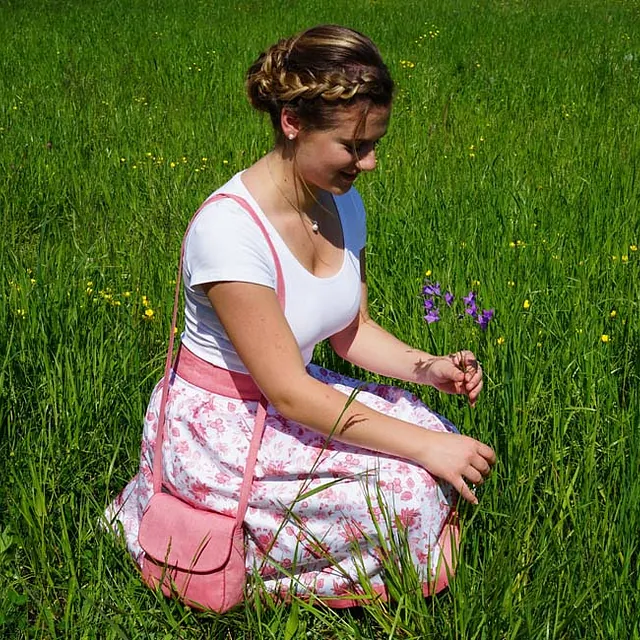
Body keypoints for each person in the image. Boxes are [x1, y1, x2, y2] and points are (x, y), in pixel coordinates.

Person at [107, 24, 496, 606]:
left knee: (437, 432)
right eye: (354, 146)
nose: (370, 164)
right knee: (411, 480)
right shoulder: (231, 232)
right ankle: (250, 562)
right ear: (292, 123)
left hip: (292, 392)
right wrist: (421, 449)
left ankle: (386, 555)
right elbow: (287, 392)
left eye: (375, 144)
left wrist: (427, 367)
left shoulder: (342, 201)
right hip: (227, 424)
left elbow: (351, 331)